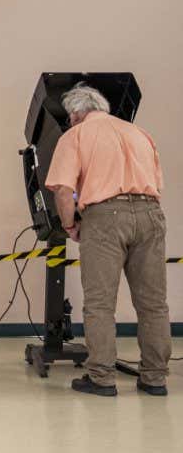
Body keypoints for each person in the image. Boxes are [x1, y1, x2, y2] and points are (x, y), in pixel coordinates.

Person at [45, 83, 169, 397]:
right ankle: (155, 378)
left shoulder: (75, 135)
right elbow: (156, 182)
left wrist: (70, 224)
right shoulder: (139, 133)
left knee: (100, 303)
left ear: (75, 114)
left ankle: (102, 378)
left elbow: (62, 189)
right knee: (153, 304)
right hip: (151, 213)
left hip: (105, 217)